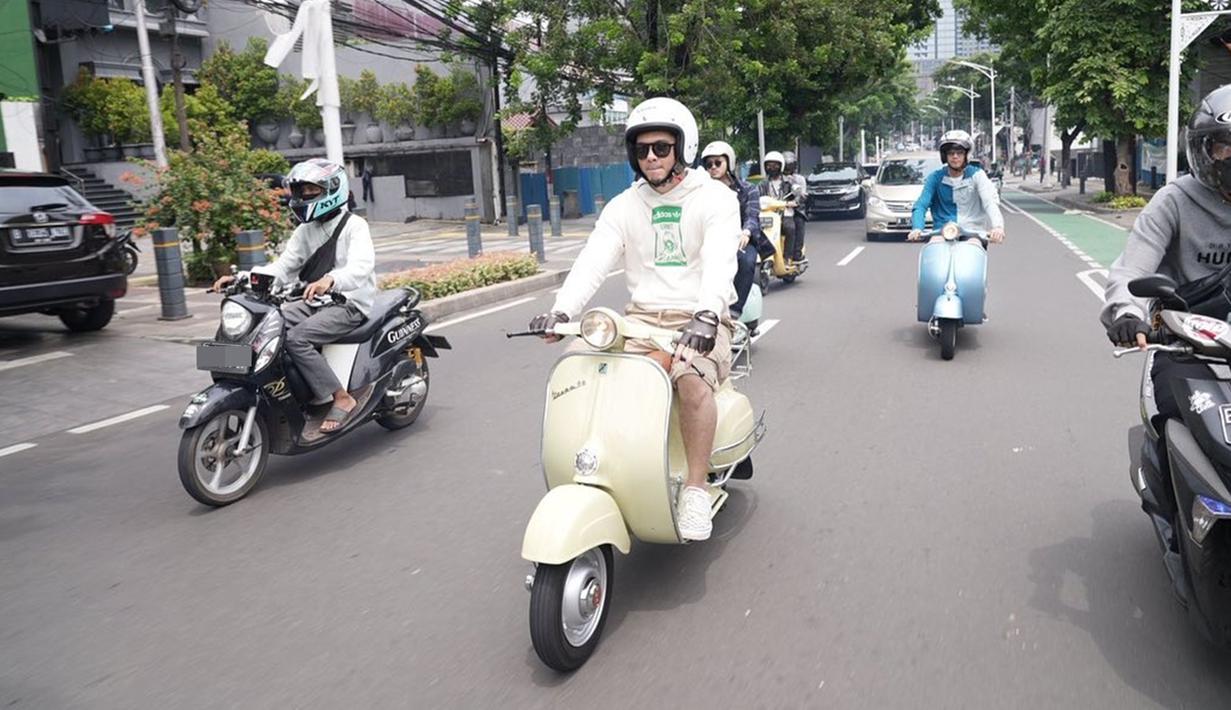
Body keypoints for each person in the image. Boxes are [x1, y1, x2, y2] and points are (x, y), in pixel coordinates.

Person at [527, 97, 741, 541]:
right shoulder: (625, 205)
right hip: (640, 318)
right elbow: (593, 260)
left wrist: (705, 314)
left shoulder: (715, 198)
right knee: (579, 366)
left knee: (691, 379)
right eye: (641, 150)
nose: (650, 158)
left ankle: (697, 491)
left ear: (682, 148)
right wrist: (562, 310)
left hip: (702, 316)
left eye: (661, 148)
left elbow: (721, 261)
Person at [1103, 84, 1231, 478]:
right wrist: (1126, 313)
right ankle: (1177, 511)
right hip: (1186, 347)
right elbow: (1133, 268)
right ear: (1204, 150)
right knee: (1192, 425)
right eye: (1225, 145)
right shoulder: (1175, 200)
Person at [212, 158, 377, 433]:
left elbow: (361, 267)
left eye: (311, 191)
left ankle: (341, 397)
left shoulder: (354, 226)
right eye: (300, 191)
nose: (303, 197)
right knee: (263, 329)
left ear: (331, 189)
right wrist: (242, 277)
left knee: (298, 339)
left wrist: (331, 280)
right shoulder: (305, 230)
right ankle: (269, 391)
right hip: (313, 303)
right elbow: (283, 267)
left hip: (347, 304)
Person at [701, 140, 774, 318]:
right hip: (709, 240)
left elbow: (752, 214)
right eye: (709, 164)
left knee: (747, 261)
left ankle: (735, 311)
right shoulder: (700, 191)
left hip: (740, 239)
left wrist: (746, 232)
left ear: (729, 162)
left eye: (718, 162)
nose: (713, 167)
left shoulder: (748, 189)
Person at [907, 129, 1006, 245]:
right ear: (945, 156)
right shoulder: (935, 178)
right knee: (934, 245)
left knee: (973, 245)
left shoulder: (977, 175)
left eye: (959, 153)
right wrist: (917, 228)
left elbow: (990, 203)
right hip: (941, 233)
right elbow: (921, 205)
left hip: (973, 233)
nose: (955, 156)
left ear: (967, 155)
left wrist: (998, 227)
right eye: (950, 153)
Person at [759, 150, 806, 263]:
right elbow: (757, 197)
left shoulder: (789, 182)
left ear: (781, 166)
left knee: (790, 228)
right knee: (756, 230)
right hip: (768, 214)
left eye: (775, 165)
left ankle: (787, 257)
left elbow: (797, 195)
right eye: (769, 165)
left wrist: (794, 201)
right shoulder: (762, 184)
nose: (772, 168)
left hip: (785, 213)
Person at [782, 150, 808, 262]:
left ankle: (796, 253)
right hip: (776, 209)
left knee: (798, 221)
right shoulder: (774, 179)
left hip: (793, 209)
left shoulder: (799, 179)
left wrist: (796, 201)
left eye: (790, 165)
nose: (788, 168)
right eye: (786, 165)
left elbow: (802, 194)